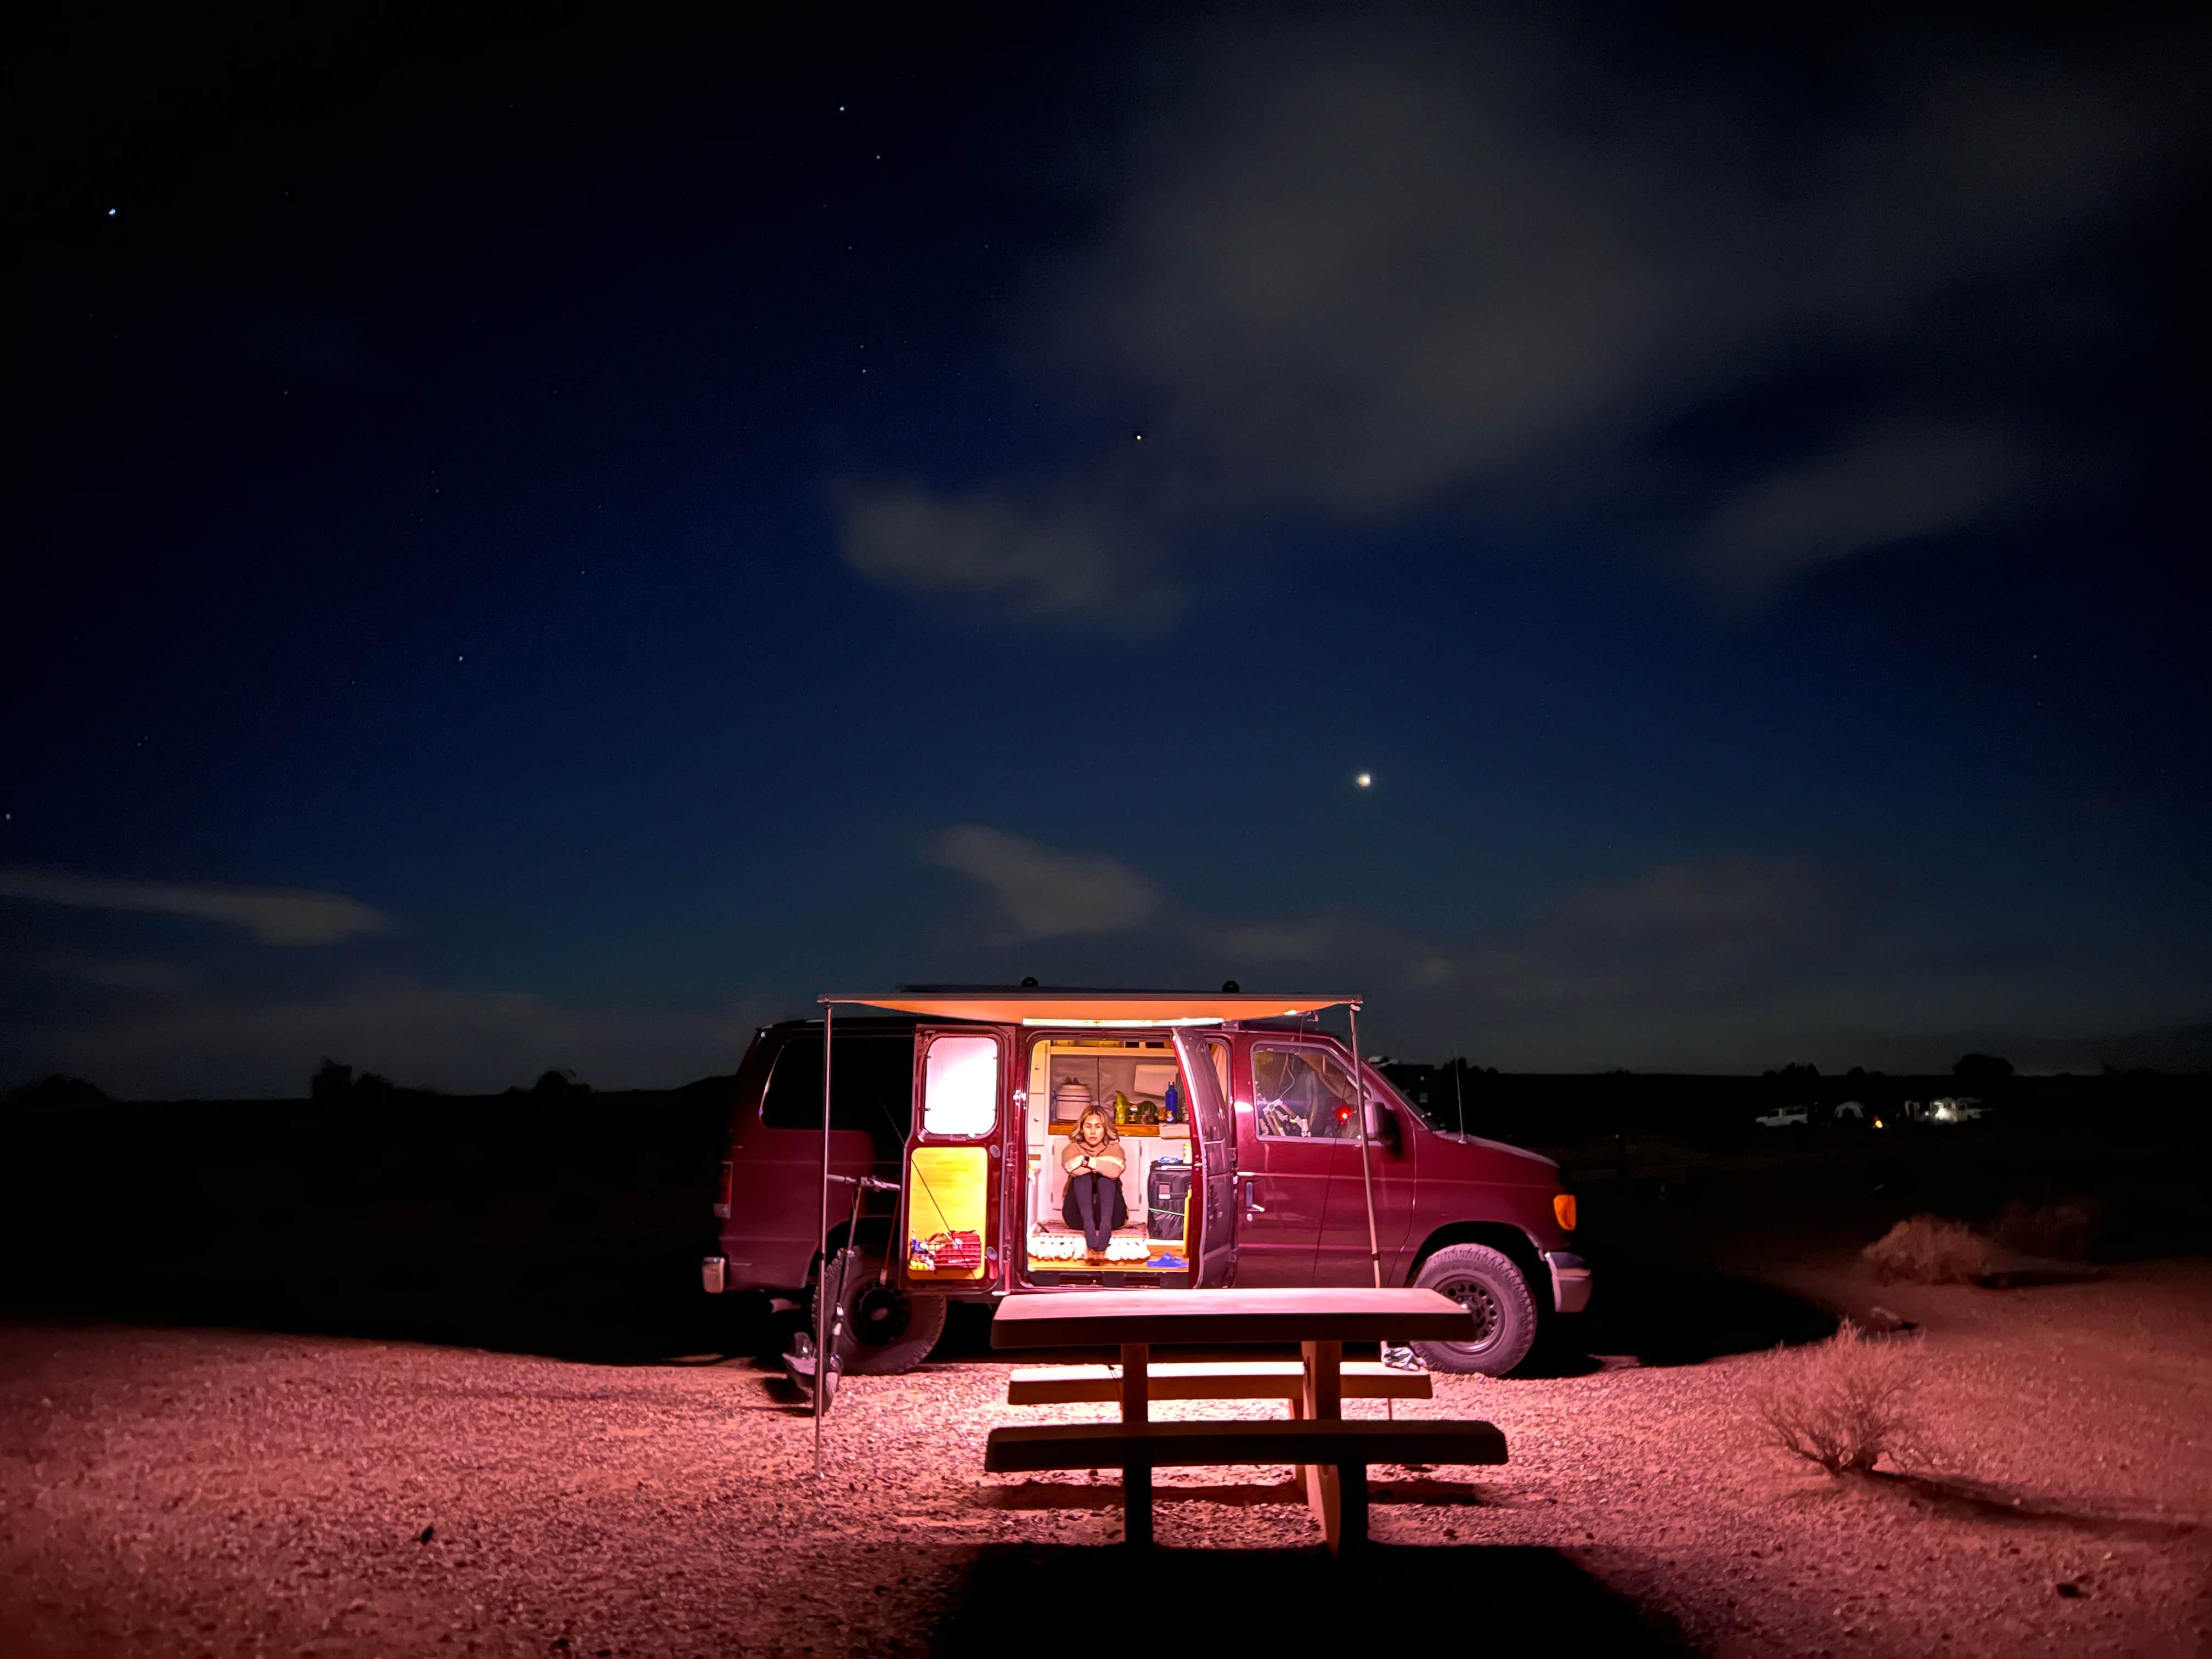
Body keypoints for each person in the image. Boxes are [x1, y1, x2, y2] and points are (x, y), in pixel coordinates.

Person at [1060, 1105, 1129, 1262]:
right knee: (1083, 1177)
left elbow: (1114, 1173)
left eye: (1098, 1127)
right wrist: (1105, 1162)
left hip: (1112, 1218)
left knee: (1107, 1179)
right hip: (1077, 1218)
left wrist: (1085, 1161)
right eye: (1088, 1126)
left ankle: (1105, 1228)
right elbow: (1074, 1171)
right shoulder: (1072, 1149)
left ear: (1105, 1129)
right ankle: (1089, 1229)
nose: (1093, 1132)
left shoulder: (1114, 1148)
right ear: (1082, 1129)